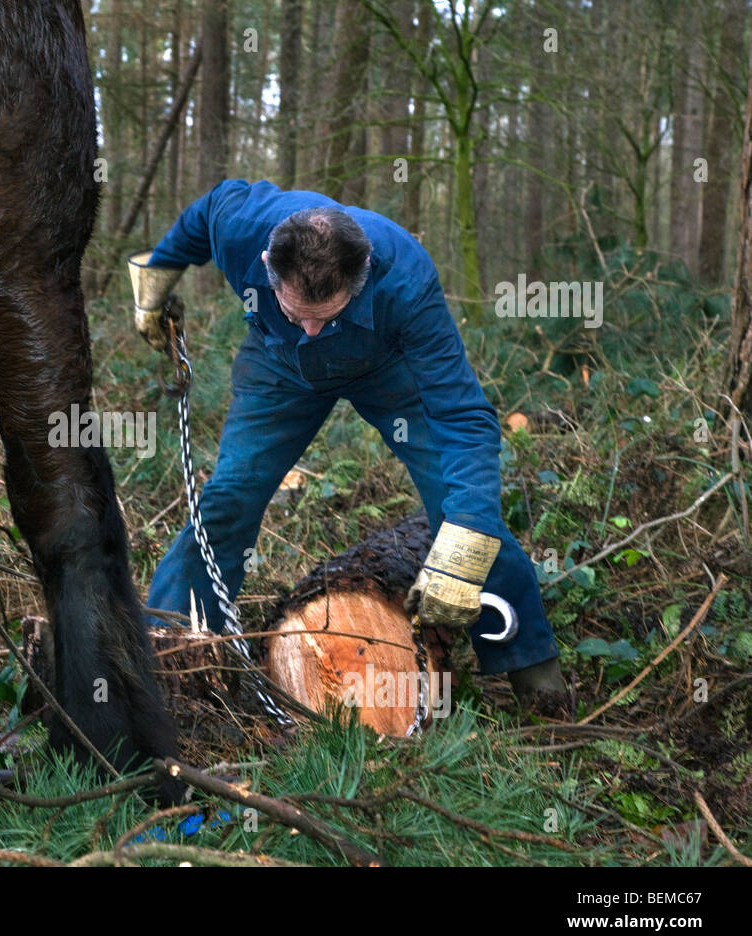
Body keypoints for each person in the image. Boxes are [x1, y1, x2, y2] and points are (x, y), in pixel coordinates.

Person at [128, 179, 571, 717]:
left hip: (384, 370)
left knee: (462, 512)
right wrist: (155, 281)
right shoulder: (242, 226)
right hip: (277, 369)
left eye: (327, 315)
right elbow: (203, 212)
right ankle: (170, 648)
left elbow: (461, 416)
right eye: (299, 312)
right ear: (267, 263)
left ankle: (536, 683)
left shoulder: (405, 279)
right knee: (231, 496)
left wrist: (468, 537)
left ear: (362, 279)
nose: (312, 329)